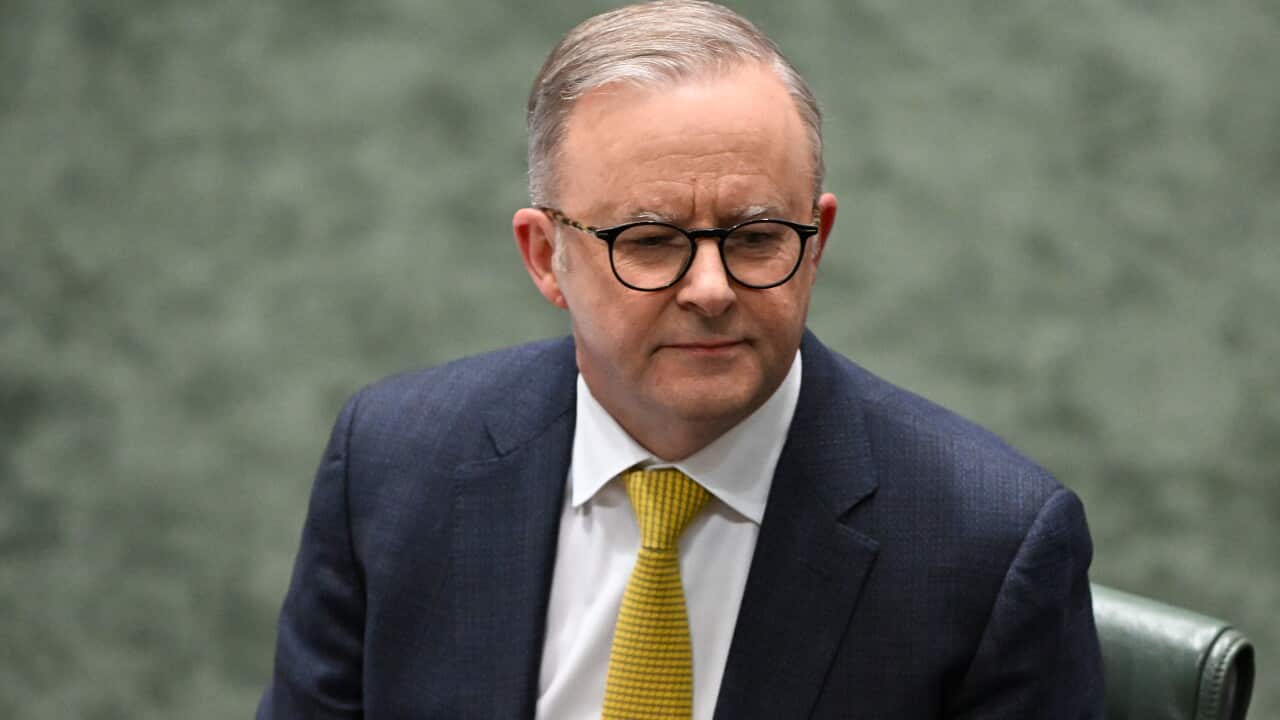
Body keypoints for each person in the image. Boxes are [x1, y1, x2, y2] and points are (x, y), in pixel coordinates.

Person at [257, 1, 1104, 718]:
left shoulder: (990, 545)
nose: (710, 289)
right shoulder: (391, 464)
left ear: (819, 243)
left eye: (758, 237)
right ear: (545, 256)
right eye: (652, 242)